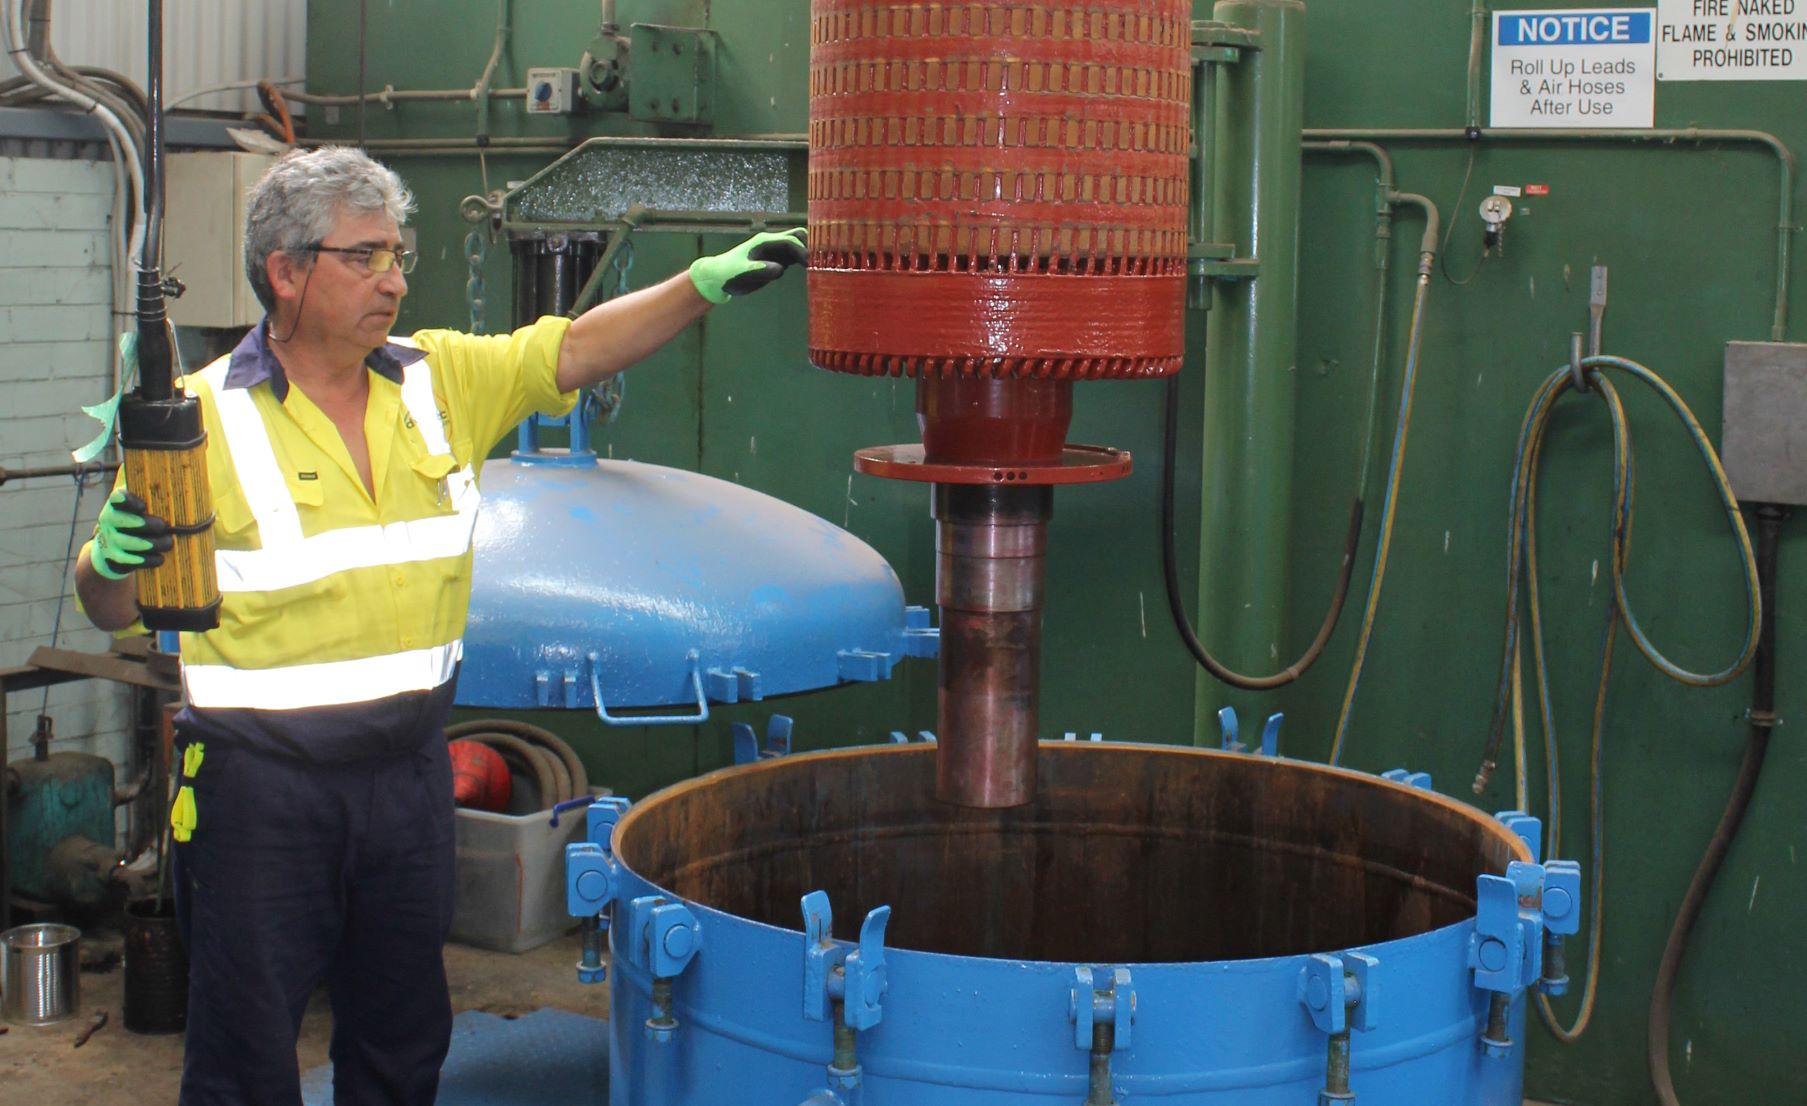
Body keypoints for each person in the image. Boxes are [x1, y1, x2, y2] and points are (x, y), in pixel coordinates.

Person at [73, 145, 805, 1106]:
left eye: (398, 254)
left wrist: (698, 285)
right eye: (364, 256)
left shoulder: (439, 381)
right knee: (245, 1048)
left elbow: (574, 349)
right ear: (285, 271)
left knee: (401, 1031)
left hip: (409, 775)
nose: (394, 279)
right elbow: (109, 605)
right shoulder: (198, 418)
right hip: (259, 790)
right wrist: (107, 561)